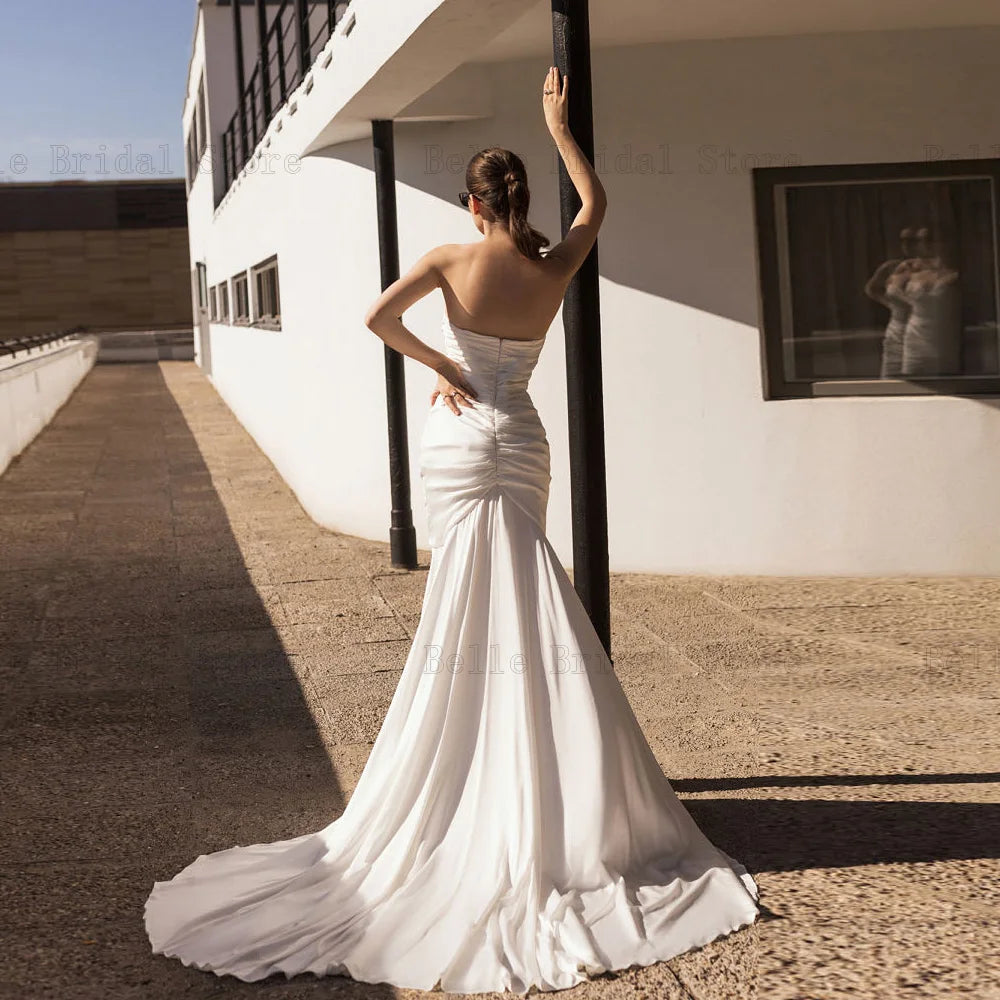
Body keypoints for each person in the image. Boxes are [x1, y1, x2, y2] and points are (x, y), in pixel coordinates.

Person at [143, 66, 760, 993]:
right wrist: (559, 126)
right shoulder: (554, 265)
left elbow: (375, 319)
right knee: (530, 592)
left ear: (473, 203)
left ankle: (471, 774)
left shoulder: (445, 258)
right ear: (513, 199)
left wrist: (443, 365)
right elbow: (596, 201)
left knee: (467, 604)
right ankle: (550, 786)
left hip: (463, 436)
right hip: (521, 436)